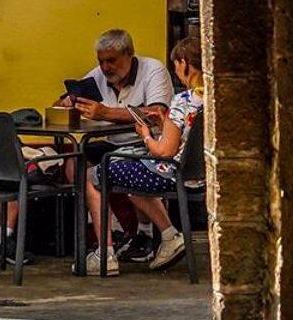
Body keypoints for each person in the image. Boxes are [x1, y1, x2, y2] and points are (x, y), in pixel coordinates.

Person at [81, 35, 205, 275]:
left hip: (170, 172)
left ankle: (105, 256)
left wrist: (146, 134)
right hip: (198, 175)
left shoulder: (182, 101)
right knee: (129, 169)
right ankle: (168, 236)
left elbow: (164, 152)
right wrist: (165, 123)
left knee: (92, 176)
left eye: (177, 66)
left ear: (186, 64)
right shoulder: (212, 99)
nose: (176, 71)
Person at [61, 27, 177, 262]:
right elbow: (68, 99)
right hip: (114, 143)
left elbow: (157, 113)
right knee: (76, 163)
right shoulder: (98, 75)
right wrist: (67, 102)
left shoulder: (153, 70)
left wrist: (105, 112)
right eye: (101, 61)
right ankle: (111, 228)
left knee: (118, 165)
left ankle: (145, 236)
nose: (106, 68)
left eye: (111, 61)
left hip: (150, 142)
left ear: (129, 55)